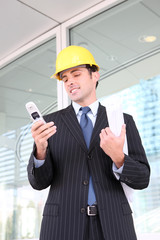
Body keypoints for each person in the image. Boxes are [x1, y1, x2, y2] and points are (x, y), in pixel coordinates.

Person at [27, 45, 150, 240]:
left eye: (76, 74)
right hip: (62, 227)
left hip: (113, 225)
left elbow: (143, 178)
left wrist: (118, 157)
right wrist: (40, 150)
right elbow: (38, 183)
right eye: (65, 79)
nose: (70, 82)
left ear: (95, 76)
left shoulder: (122, 121)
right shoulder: (50, 124)